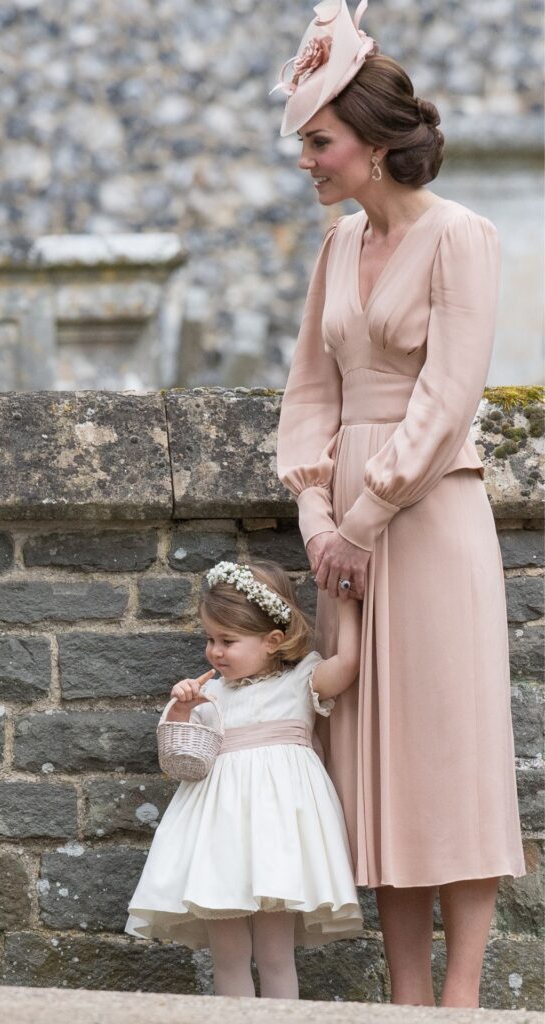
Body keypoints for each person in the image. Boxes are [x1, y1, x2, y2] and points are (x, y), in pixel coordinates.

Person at [274, 0, 525, 1009]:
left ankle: (461, 997)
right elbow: (308, 393)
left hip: (428, 523)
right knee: (374, 764)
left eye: (320, 142)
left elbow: (449, 397)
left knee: (449, 754)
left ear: (373, 145)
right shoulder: (336, 249)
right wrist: (317, 520)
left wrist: (364, 520)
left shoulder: (466, 238)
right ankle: (406, 997)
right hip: (344, 533)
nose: (309, 161)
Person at [125, 560, 363, 999]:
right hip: (220, 838)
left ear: (273, 641)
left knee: (276, 957)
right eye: (210, 639)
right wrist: (181, 709)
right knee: (228, 957)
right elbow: (181, 760)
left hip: (280, 840)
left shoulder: (301, 678)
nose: (214, 651)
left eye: (228, 640)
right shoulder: (210, 694)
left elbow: (348, 664)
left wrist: (345, 599)